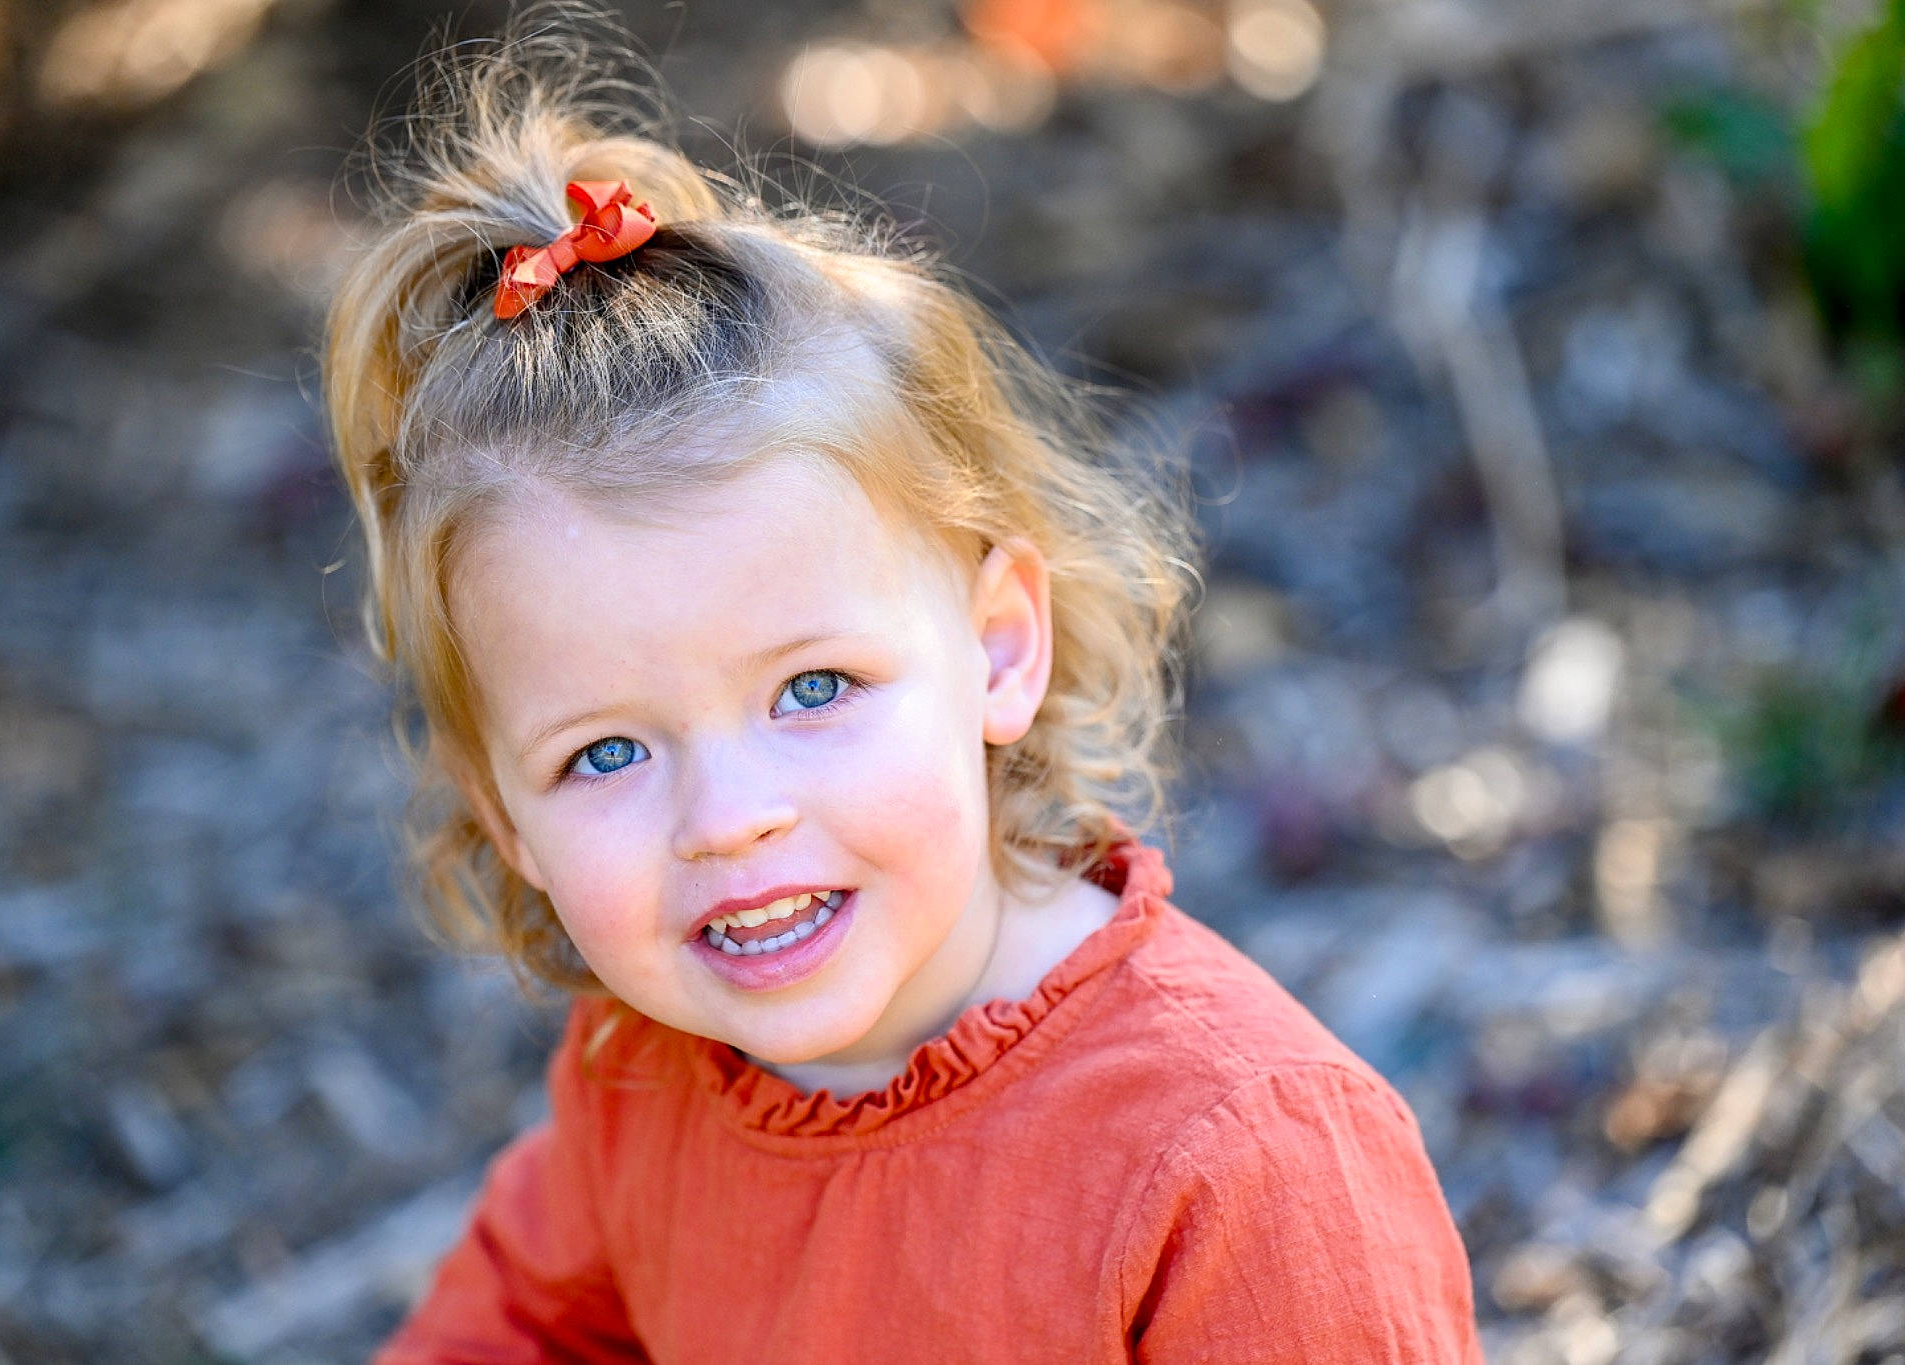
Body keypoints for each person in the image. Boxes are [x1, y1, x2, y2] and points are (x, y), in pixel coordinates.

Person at [325, 11, 1482, 1361]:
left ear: (997, 645)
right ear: (507, 815)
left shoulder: (1233, 1162)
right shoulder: (641, 1073)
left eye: (812, 687)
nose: (728, 817)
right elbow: (515, 1330)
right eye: (604, 755)